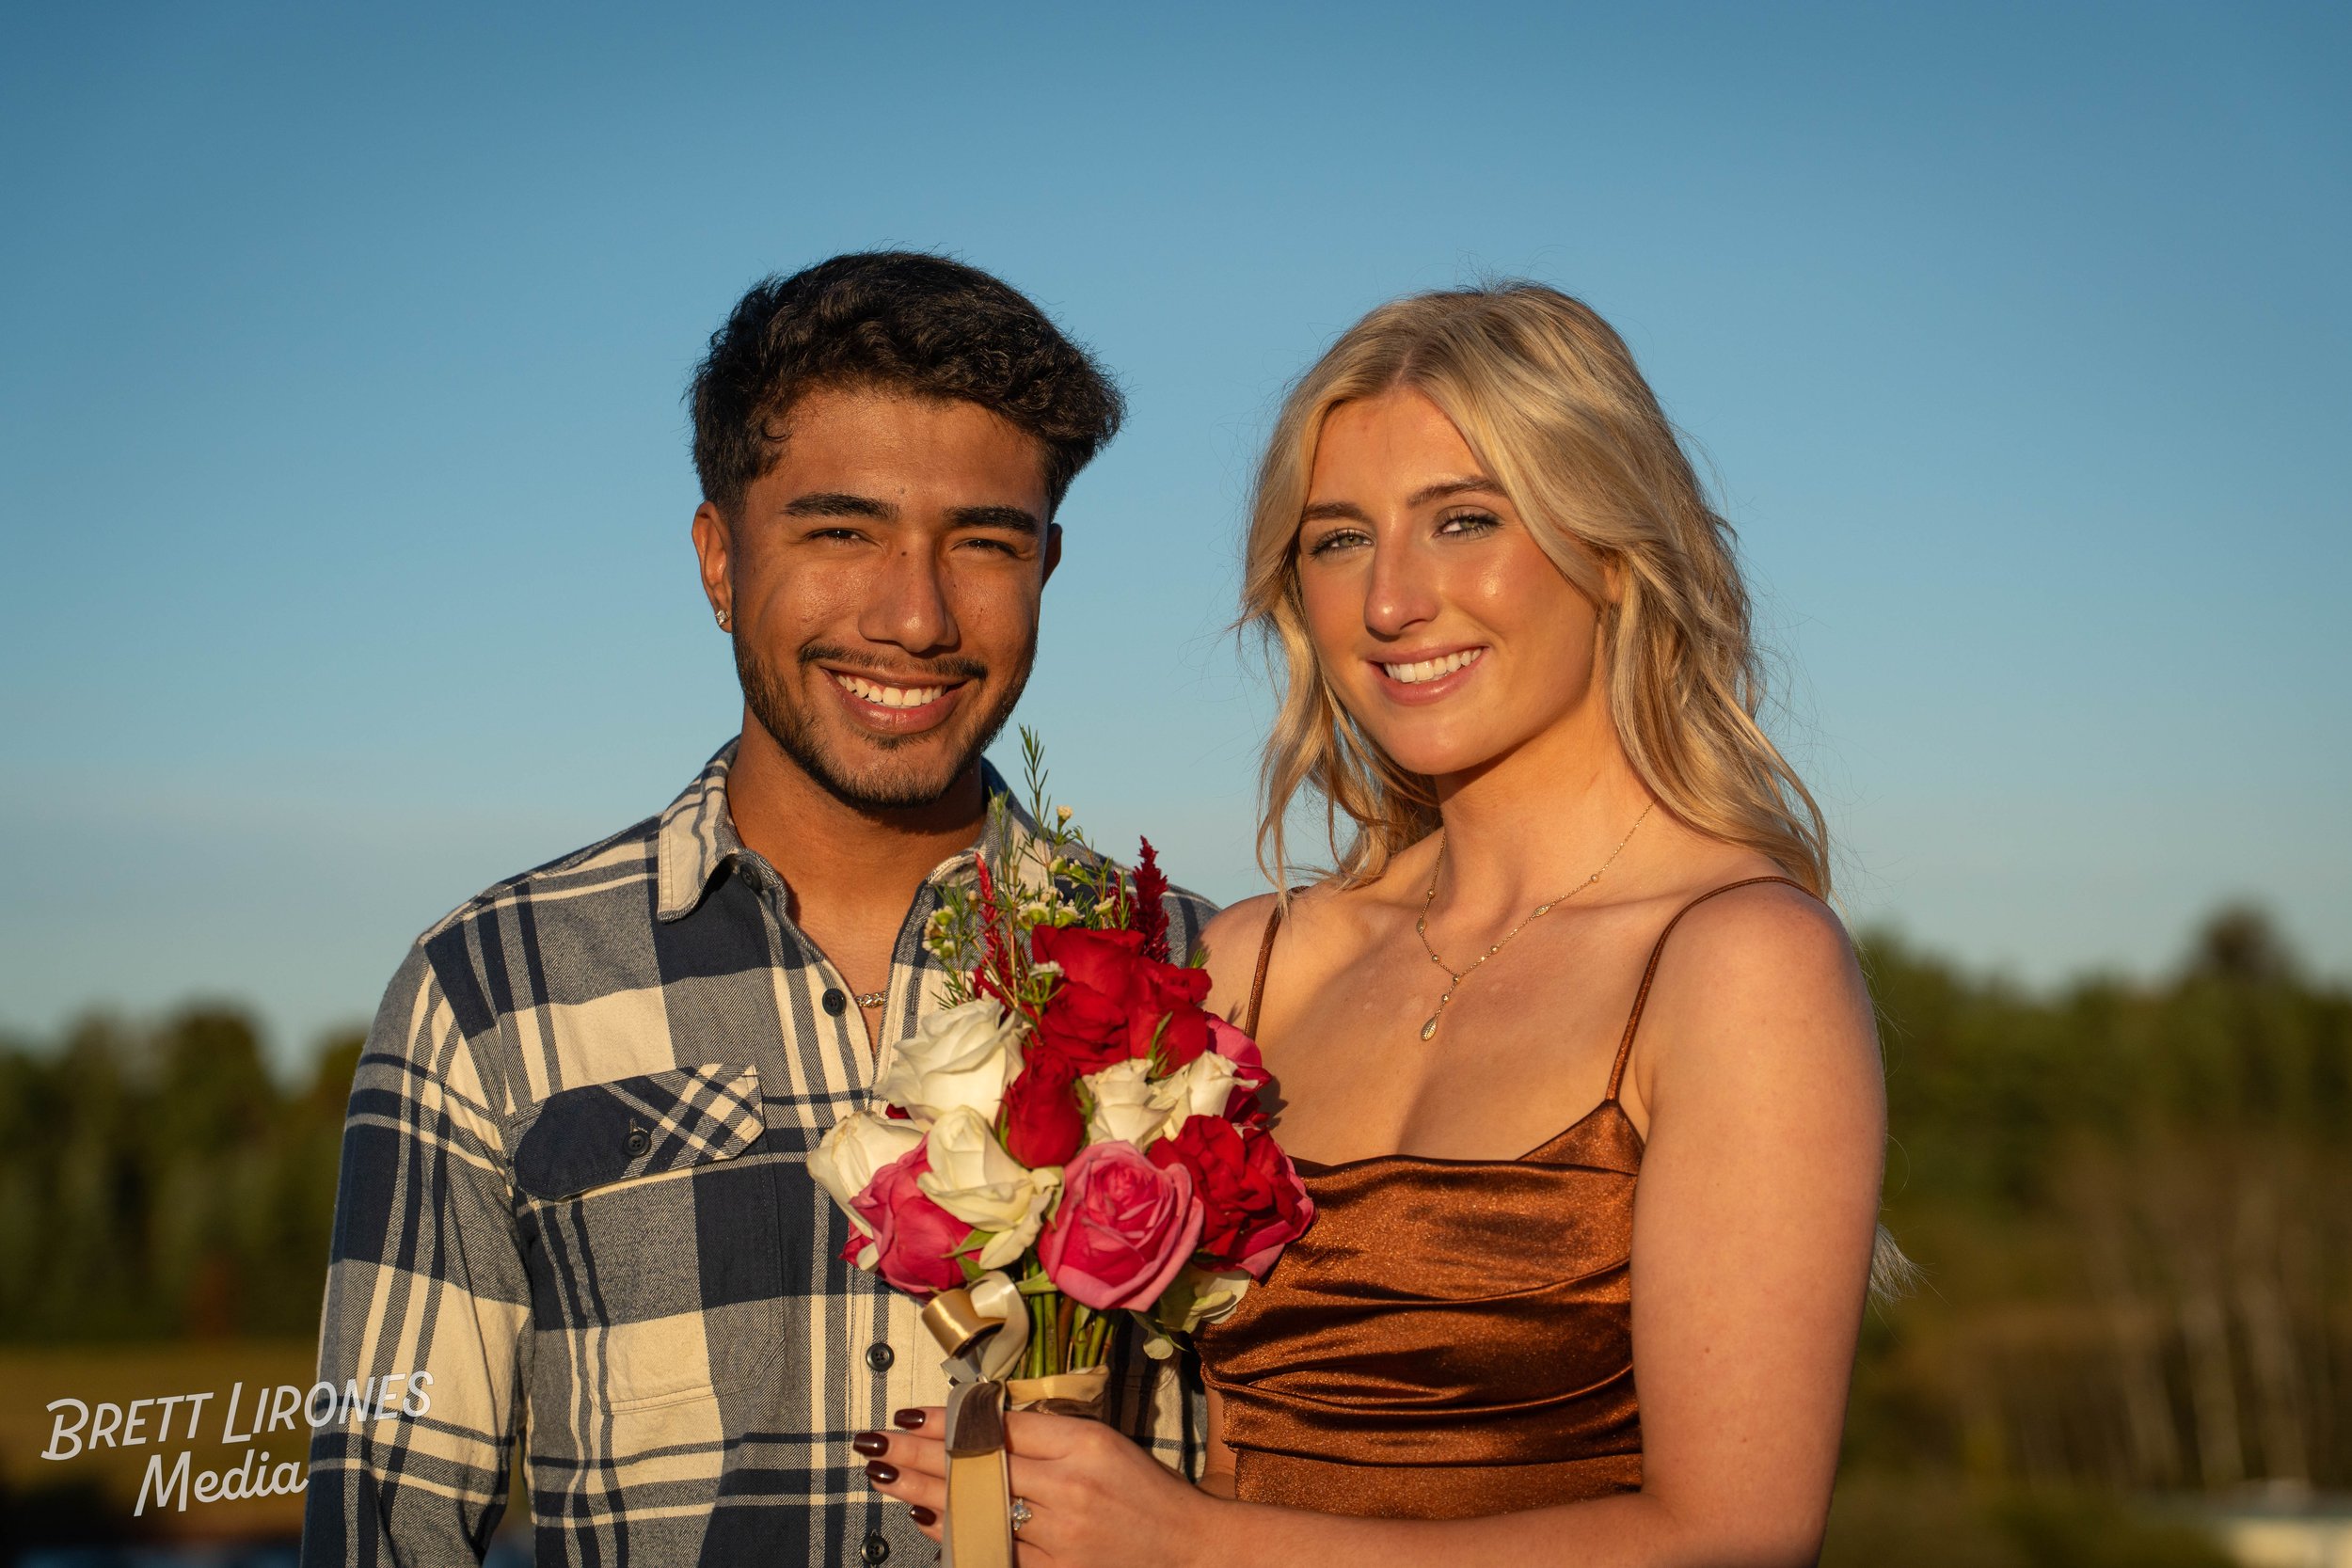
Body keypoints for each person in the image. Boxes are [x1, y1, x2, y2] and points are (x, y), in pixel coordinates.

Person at [862, 282, 1899, 1565]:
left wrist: (1198, 1549)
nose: (1393, 602)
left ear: (1616, 550)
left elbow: (1736, 1537)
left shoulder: (1739, 964)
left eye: (1464, 521)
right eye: (1339, 539)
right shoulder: (1256, 962)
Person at [300, 251, 1213, 1568]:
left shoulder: (1191, 970)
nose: (915, 614)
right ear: (719, 559)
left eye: (985, 543)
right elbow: (382, 1525)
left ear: (1050, 567)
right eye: (841, 532)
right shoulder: (490, 989)